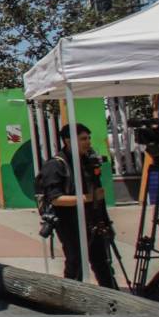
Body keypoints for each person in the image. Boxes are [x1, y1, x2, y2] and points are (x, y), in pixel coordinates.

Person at [38, 123, 117, 288]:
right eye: (83, 139)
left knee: (102, 264)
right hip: (70, 223)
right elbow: (55, 199)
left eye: (88, 138)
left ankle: (113, 299)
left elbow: (98, 196)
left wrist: (106, 222)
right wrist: (88, 197)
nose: (87, 142)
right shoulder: (56, 165)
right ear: (68, 140)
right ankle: (69, 298)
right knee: (76, 264)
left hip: (94, 221)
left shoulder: (88, 161)